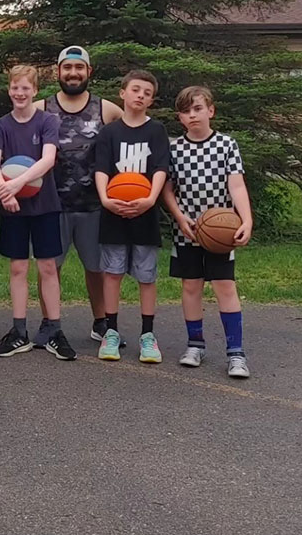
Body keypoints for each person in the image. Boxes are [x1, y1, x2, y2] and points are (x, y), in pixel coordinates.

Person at [162, 85, 253, 378]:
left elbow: (236, 185)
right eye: (186, 111)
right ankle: (195, 344)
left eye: (198, 109)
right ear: (180, 117)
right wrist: (179, 218)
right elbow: (167, 189)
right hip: (187, 230)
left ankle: (236, 353)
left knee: (224, 286)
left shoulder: (226, 144)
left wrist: (246, 220)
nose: (193, 115)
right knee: (191, 286)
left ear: (211, 111)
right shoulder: (174, 148)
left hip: (221, 232)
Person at [34, 44, 122, 346]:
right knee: (50, 267)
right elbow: (10, 130)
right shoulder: (40, 108)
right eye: (67, 68)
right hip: (51, 204)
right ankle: (49, 324)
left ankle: (102, 322)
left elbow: (132, 136)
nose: (73, 73)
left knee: (96, 268)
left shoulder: (107, 109)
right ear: (58, 72)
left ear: (89, 71)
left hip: (94, 206)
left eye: (79, 68)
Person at [0, 65, 76, 361]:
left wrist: (15, 184)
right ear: (9, 90)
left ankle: (54, 330)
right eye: (15, 88)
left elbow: (48, 159)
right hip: (14, 205)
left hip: (44, 205)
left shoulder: (47, 120)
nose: (20, 93)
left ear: (35, 91)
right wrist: (4, 190)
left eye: (26, 88)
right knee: (18, 268)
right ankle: (19, 332)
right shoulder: (2, 124)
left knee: (48, 267)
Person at [93, 69, 170, 363]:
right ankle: (110, 332)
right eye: (136, 90)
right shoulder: (109, 132)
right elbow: (101, 169)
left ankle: (147, 336)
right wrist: (105, 199)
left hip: (145, 214)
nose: (140, 95)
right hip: (113, 212)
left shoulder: (156, 131)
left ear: (151, 100)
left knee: (146, 277)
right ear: (122, 93)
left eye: (147, 93)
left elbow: (161, 168)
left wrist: (150, 199)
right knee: (111, 274)